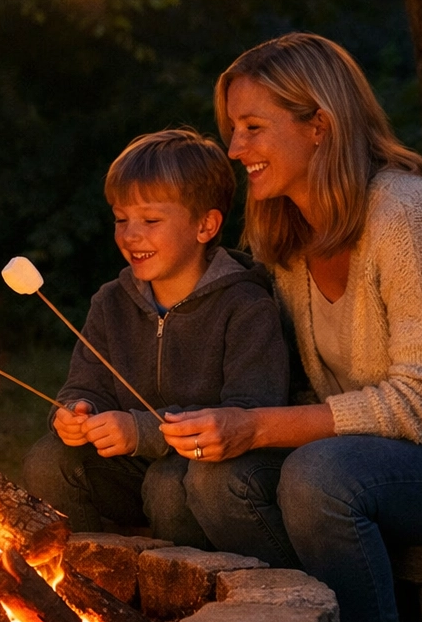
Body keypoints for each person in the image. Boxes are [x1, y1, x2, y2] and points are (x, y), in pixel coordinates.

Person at [159, 32, 422, 622]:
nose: (235, 147)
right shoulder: (291, 232)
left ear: (320, 124)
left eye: (253, 127)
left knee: (320, 478)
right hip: (381, 457)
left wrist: (262, 426)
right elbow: (314, 388)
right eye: (231, 128)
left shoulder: (409, 216)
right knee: (211, 482)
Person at [23, 128, 292, 550]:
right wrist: (77, 411)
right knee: (48, 459)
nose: (131, 235)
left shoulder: (245, 305)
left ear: (205, 225)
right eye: (121, 219)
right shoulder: (112, 302)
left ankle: (189, 594)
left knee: (168, 486)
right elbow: (85, 382)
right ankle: (87, 584)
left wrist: (143, 429)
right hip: (133, 465)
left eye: (150, 220)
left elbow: (250, 410)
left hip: (216, 468)